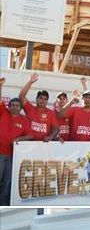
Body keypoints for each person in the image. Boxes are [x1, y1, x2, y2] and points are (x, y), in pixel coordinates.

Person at [0, 78, 33, 206]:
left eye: (17, 105)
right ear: (9, 106)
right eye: (12, 105)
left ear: (20, 108)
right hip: (0, 153)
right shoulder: (3, 113)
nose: (14, 107)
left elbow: (30, 135)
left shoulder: (24, 120)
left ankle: (3, 204)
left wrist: (19, 139)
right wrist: (1, 86)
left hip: (12, 156)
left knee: (7, 180)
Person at [19, 73, 60, 141]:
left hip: (44, 145)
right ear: (36, 99)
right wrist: (30, 82)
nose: (42, 100)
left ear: (47, 101)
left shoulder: (51, 113)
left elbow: (56, 129)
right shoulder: (29, 108)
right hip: (28, 143)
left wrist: (50, 137)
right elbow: (21, 96)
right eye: (40, 98)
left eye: (45, 99)